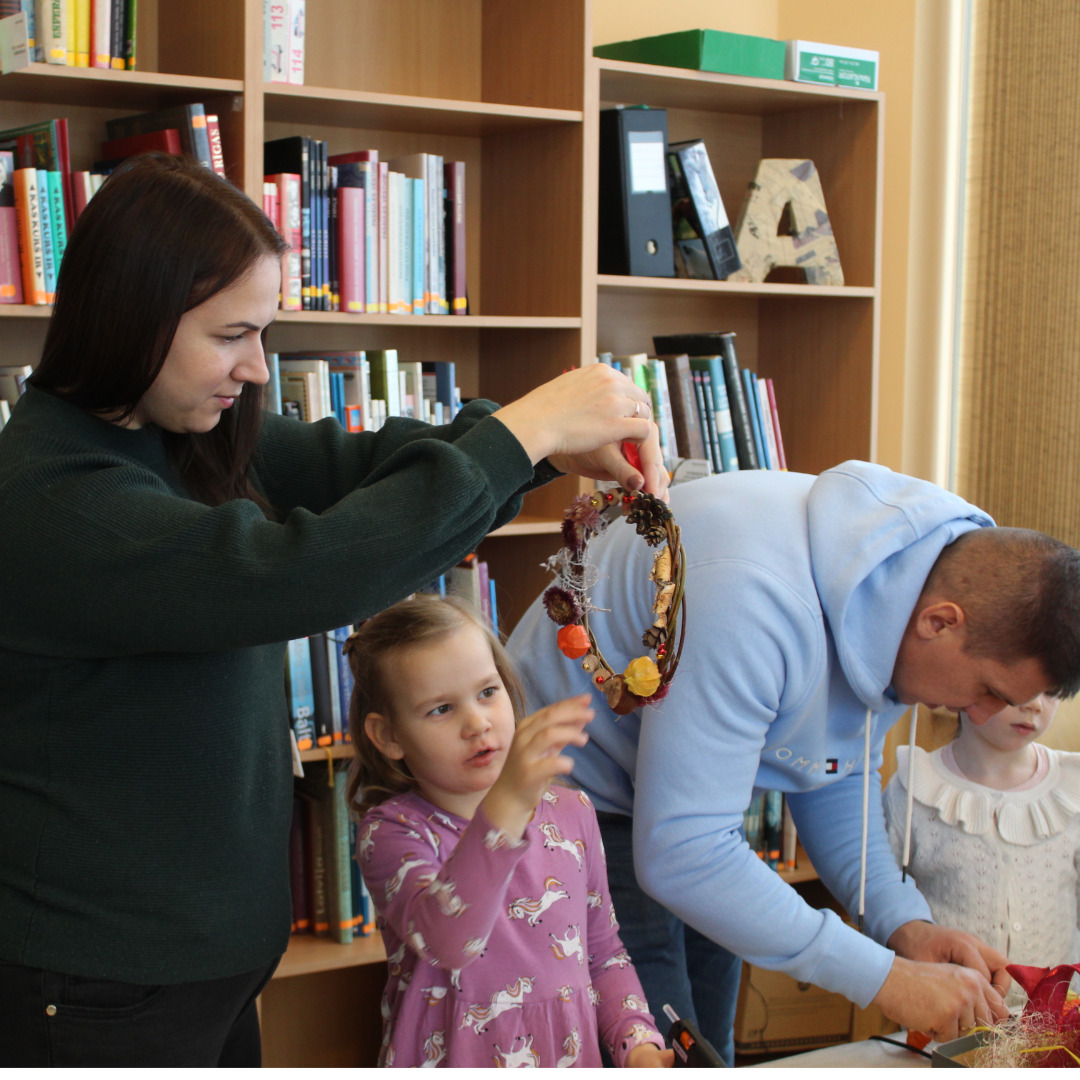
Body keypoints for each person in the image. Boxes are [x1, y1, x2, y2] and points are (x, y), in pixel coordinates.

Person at [0, 153, 667, 1067]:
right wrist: (529, 431)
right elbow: (300, 573)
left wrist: (544, 448)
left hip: (196, 972)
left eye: (263, 332)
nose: (255, 368)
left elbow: (359, 469)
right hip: (95, 988)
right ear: (133, 320)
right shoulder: (55, 500)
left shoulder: (183, 431)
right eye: (232, 334)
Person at [506, 461, 1080, 1062]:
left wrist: (904, 925)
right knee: (657, 1051)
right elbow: (682, 853)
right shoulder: (752, 597)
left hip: (675, 800)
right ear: (940, 623)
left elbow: (834, 770)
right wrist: (886, 979)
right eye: (989, 690)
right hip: (569, 792)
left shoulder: (907, 593)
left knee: (709, 1044)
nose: (985, 714)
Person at [344, 593, 673, 1068]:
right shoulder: (392, 833)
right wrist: (507, 807)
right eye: (441, 709)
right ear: (389, 736)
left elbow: (602, 953)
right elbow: (450, 941)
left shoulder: (573, 812)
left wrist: (638, 1043)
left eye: (487, 692)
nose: (476, 723)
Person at [884, 695, 1080, 1010]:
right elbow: (882, 901)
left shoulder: (1072, 788)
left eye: (1051, 688)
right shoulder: (914, 788)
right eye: (1020, 683)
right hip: (945, 1017)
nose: (1034, 704)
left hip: (1057, 1023)